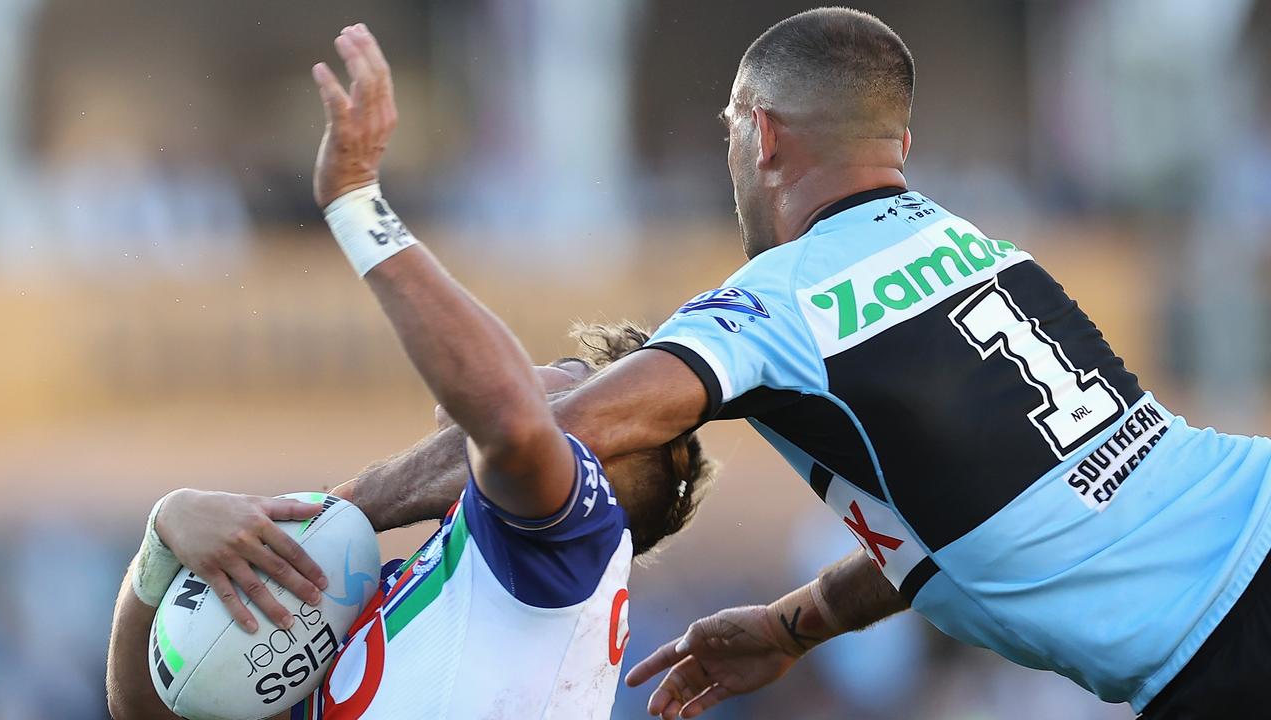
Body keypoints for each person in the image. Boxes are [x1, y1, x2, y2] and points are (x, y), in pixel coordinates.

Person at [309, 10, 1271, 720]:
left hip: (1229, 637)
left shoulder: (778, 302)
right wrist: (795, 622)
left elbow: (538, 434)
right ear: (901, 144)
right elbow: (975, 524)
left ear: (760, 133)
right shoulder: (979, 248)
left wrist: (337, 512)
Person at [104, 24, 714, 720]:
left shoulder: (578, 542)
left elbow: (510, 422)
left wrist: (357, 201)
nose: (529, 366)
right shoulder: (399, 589)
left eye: (565, 371)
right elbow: (159, 712)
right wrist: (163, 543)